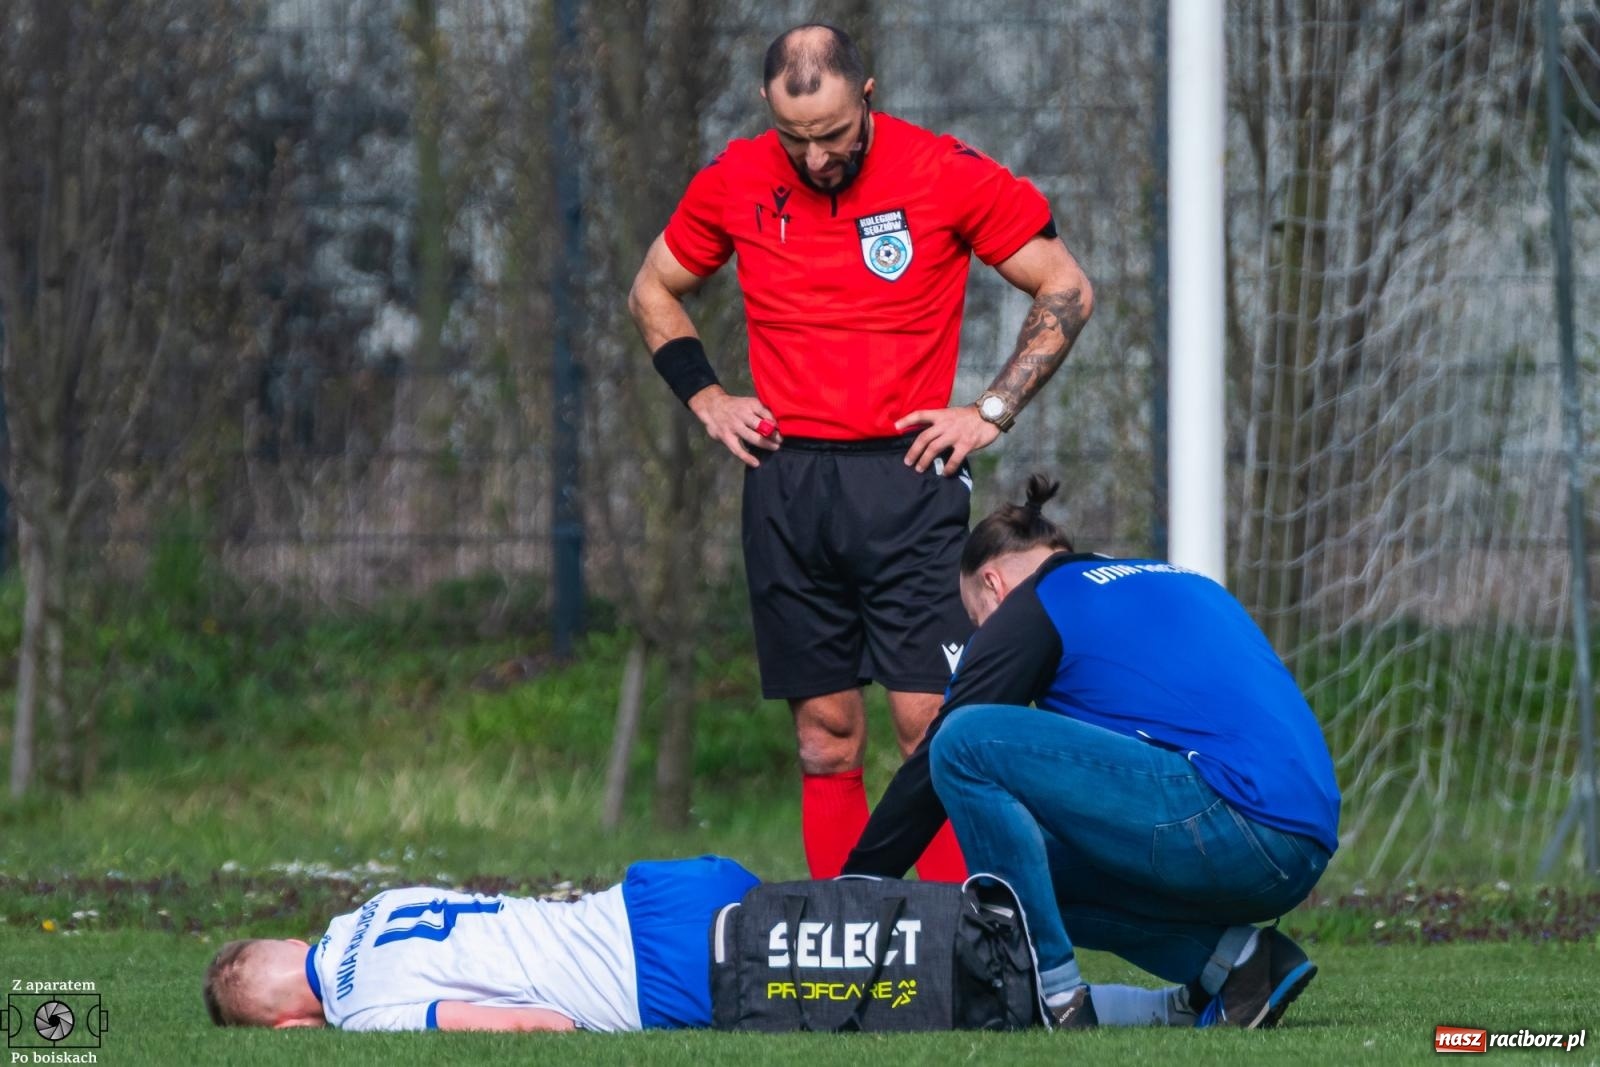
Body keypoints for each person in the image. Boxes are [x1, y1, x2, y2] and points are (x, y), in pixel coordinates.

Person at [628, 23, 1093, 883]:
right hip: (787, 485)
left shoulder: (943, 173)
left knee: (934, 726)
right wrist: (709, 397)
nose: (814, 160)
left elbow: (1066, 284)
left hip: (910, 480)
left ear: (868, 97)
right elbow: (653, 287)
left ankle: (964, 942)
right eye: (794, 139)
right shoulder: (734, 179)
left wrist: (991, 410)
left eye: (834, 136)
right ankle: (848, 957)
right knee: (824, 734)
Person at [841, 476, 1342, 1030]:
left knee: (964, 740)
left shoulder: (1036, 602)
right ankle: (1241, 966)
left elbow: (943, 751)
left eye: (977, 619)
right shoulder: (1166, 576)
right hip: (1303, 843)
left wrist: (856, 887)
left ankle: (1054, 999)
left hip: (1233, 821)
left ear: (993, 583)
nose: (984, 635)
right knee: (1027, 874)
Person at [202, 855, 758, 1031]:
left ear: (291, 1025)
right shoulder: (372, 907)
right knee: (832, 910)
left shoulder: (361, 1011)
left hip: (658, 976)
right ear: (295, 940)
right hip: (664, 889)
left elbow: (527, 1024)